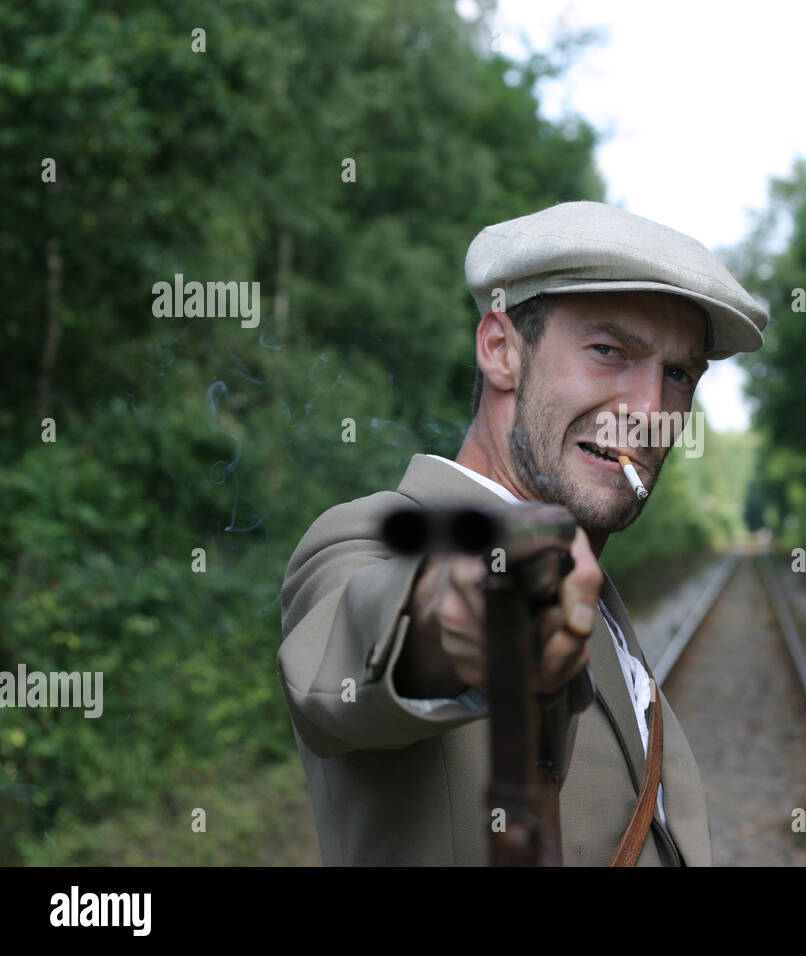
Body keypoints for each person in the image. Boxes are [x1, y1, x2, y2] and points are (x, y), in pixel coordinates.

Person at [277, 200, 769, 865]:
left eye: (678, 374)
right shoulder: (370, 538)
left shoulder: (592, 584)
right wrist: (465, 607)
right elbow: (373, 634)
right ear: (500, 349)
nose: (650, 413)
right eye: (608, 350)